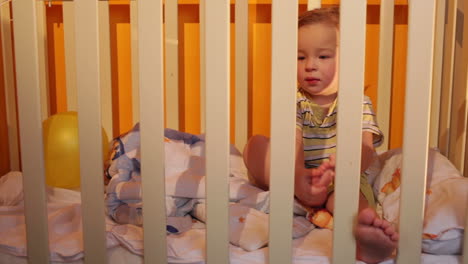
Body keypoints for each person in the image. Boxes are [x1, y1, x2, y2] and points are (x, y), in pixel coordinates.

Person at [242, 7, 399, 263]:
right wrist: (297, 174)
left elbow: (366, 147)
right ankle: (296, 184)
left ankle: (367, 239)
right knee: (255, 144)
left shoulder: (357, 102)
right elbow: (292, 141)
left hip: (339, 179)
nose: (310, 66)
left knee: (348, 200)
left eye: (323, 56)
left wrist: (345, 165)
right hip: (294, 174)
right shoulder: (295, 101)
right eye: (300, 57)